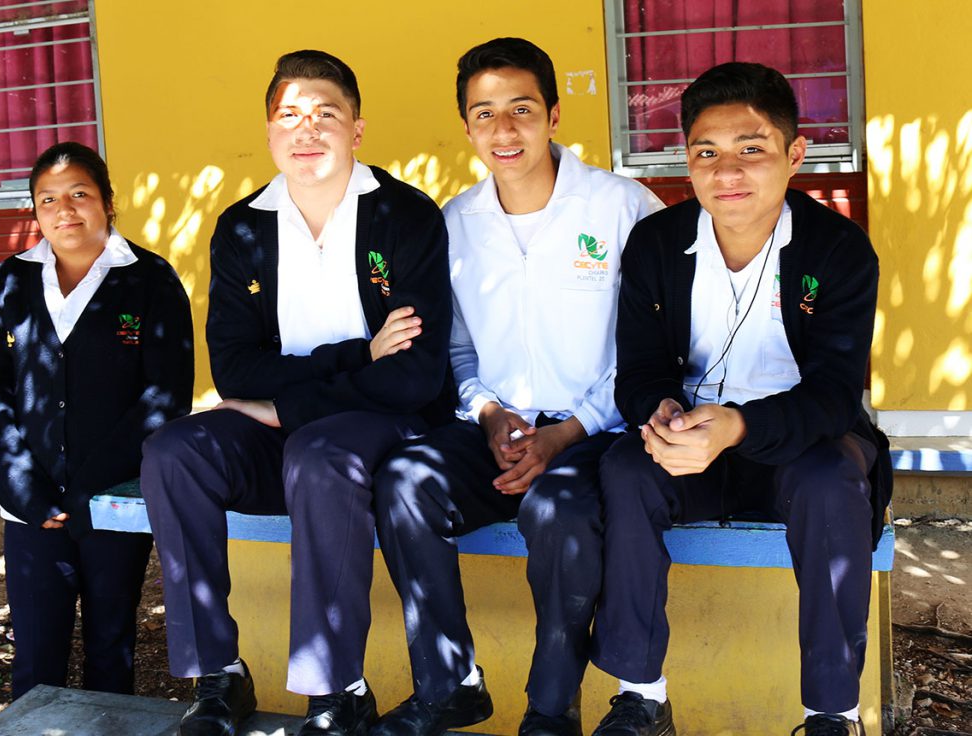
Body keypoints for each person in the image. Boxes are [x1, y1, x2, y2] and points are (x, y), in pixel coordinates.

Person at [139, 49, 453, 736]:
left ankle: (338, 690)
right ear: (268, 131)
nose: (306, 130)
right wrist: (359, 354)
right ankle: (218, 673)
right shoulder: (243, 227)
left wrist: (287, 405)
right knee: (174, 452)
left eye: (325, 115)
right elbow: (236, 370)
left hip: (385, 425)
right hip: (288, 433)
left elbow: (413, 375)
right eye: (289, 116)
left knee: (318, 452)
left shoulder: (405, 216)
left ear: (357, 129)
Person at [371, 37, 663, 736]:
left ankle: (550, 710)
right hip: (497, 429)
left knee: (559, 515)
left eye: (522, 109)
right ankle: (450, 683)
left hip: (600, 432)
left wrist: (571, 430)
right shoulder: (454, 223)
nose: (504, 130)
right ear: (467, 126)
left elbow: (654, 345)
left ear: (554, 115)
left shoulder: (623, 207)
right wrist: (487, 411)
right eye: (485, 114)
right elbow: (456, 347)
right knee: (405, 482)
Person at [593, 62, 892, 736]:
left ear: (794, 155)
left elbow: (834, 396)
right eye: (706, 153)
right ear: (688, 161)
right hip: (694, 444)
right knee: (625, 468)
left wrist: (736, 427)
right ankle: (641, 696)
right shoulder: (657, 244)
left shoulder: (837, 250)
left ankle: (833, 712)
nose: (726, 172)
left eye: (751, 149)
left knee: (831, 481)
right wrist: (660, 412)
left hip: (802, 443)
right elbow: (637, 371)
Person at [0, 142, 194, 699]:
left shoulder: (150, 280)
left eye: (79, 194)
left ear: (107, 202)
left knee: (110, 644)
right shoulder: (9, 281)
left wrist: (92, 485)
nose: (64, 210)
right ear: (35, 210)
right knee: (36, 651)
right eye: (48, 199)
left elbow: (165, 396)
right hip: (31, 505)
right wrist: (22, 483)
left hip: (112, 499)